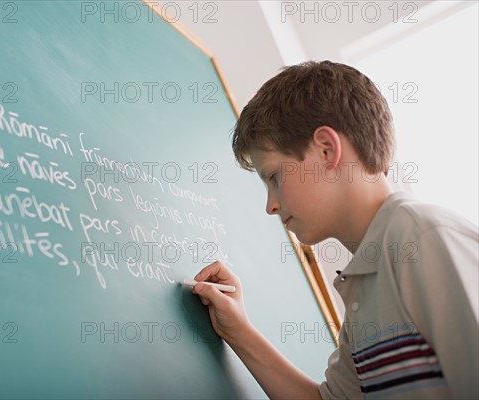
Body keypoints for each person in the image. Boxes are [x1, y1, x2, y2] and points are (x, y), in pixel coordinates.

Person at [192, 61, 479, 399]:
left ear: (326, 150)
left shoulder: (423, 238)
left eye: (274, 178)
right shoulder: (365, 282)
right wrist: (238, 331)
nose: (271, 205)